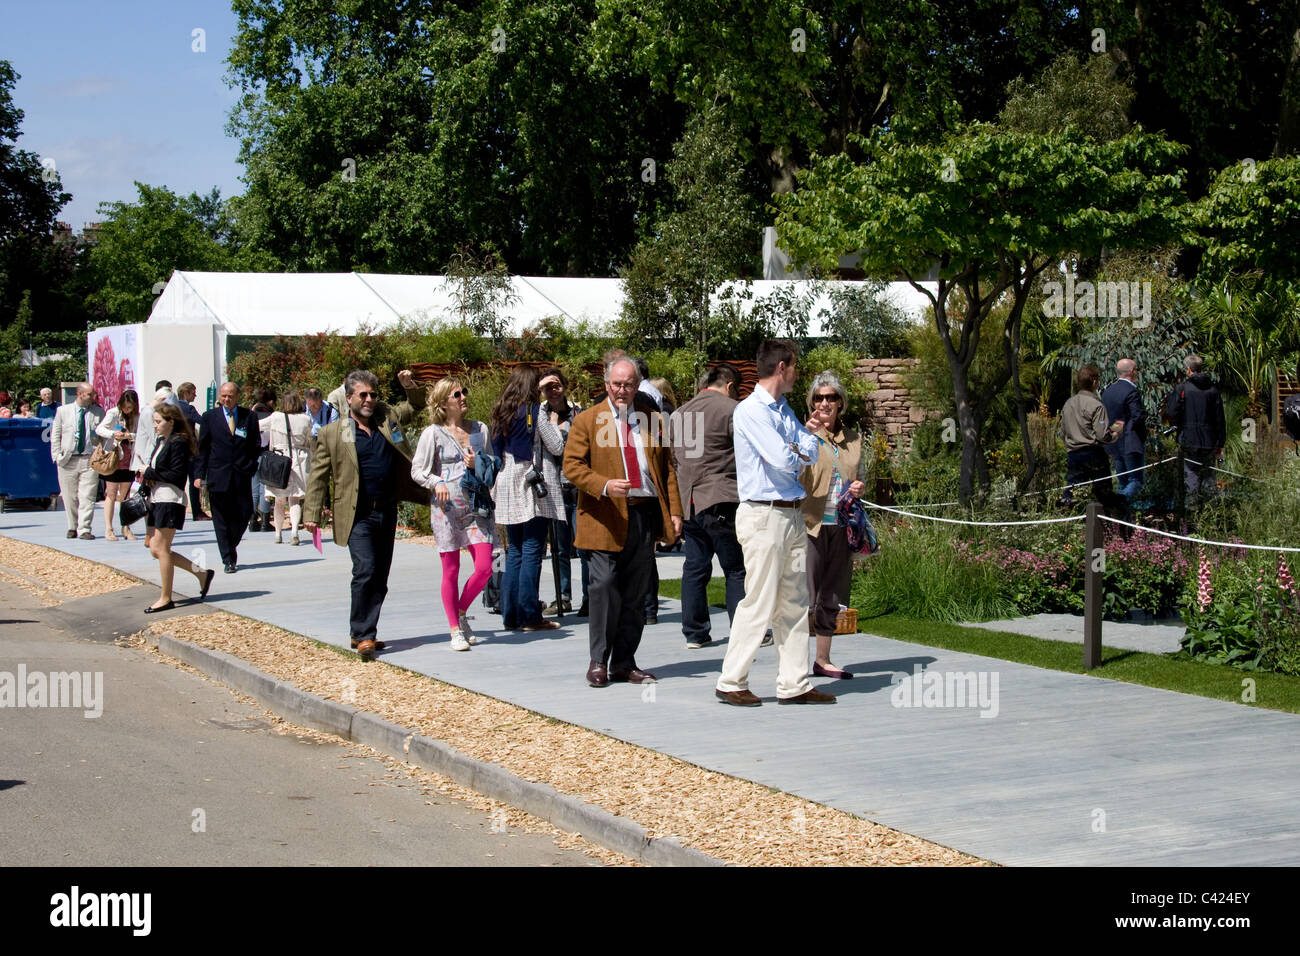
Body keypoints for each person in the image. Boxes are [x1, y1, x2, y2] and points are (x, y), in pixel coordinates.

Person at [715, 339, 836, 707]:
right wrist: (797, 445)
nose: (798, 375)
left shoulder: (783, 410)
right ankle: (732, 680)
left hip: (792, 512)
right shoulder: (751, 411)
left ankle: (794, 683)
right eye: (795, 367)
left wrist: (800, 442)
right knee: (760, 600)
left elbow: (811, 450)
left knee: (795, 602)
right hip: (764, 514)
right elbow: (783, 457)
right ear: (781, 367)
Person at [563, 357, 682, 688]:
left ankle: (624, 663)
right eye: (616, 384)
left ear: (637, 385)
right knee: (602, 586)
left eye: (629, 384)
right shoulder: (588, 420)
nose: (622, 390)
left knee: (635, 593)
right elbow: (571, 466)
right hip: (604, 516)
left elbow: (666, 469)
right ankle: (599, 660)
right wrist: (603, 485)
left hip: (644, 514)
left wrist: (674, 511)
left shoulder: (651, 420)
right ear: (606, 385)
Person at [303, 369, 426, 660]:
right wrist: (312, 513)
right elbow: (319, 474)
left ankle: (363, 630)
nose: (369, 400)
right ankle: (363, 634)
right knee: (365, 569)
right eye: (363, 395)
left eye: (373, 394)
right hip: (356, 514)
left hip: (387, 510)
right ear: (349, 398)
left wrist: (410, 387)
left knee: (380, 576)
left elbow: (416, 407)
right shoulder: (336, 433)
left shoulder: (387, 420)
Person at [411, 378, 497, 651]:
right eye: (456, 394)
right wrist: (436, 482)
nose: (463, 397)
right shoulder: (433, 434)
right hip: (446, 510)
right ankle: (454, 629)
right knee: (451, 569)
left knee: (484, 568)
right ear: (443, 403)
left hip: (476, 506)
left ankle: (460, 611)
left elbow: (493, 463)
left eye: (464, 392)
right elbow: (417, 470)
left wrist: (479, 461)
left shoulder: (479, 429)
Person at [669, 362, 745, 650]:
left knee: (695, 567)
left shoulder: (678, 414)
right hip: (721, 498)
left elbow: (672, 459)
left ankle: (695, 632)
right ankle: (743, 631)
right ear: (728, 385)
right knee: (736, 568)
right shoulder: (731, 409)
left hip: (689, 501)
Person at [799, 371, 866, 680]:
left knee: (831, 598)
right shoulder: (803, 433)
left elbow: (857, 474)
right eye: (818, 397)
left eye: (830, 397)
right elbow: (790, 473)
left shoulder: (853, 439)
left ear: (841, 403)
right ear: (812, 402)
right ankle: (795, 662)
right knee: (804, 599)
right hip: (810, 525)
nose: (824, 402)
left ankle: (822, 659)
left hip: (841, 525)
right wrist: (803, 438)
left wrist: (859, 487)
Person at [489, 366, 565, 632]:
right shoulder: (536, 411)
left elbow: (495, 449)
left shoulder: (501, 410)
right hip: (531, 482)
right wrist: (554, 423)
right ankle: (530, 616)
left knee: (516, 551)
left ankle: (510, 615)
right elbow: (557, 446)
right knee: (533, 548)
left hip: (507, 478)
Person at [142, 403, 215, 612]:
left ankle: (166, 597)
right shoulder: (162, 441)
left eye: (158, 422)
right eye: (154, 421)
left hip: (170, 499)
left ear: (171, 421)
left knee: (160, 549)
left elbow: (176, 476)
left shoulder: (179, 442)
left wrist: (149, 473)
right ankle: (201, 573)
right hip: (158, 498)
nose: (155, 426)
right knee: (156, 549)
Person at [195, 382, 262, 573]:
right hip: (219, 475)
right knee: (221, 518)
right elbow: (203, 449)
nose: (226, 399)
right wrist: (199, 474)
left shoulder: (249, 417)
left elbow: (255, 444)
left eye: (230, 396)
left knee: (244, 512)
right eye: (223, 396)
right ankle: (228, 558)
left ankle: (229, 543)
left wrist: (251, 465)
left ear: (237, 396)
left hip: (241, 473)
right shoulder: (209, 418)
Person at [538, 367, 587, 616]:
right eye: (548, 387)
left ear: (565, 386)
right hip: (553, 490)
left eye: (557, 385)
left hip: (577, 489)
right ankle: (563, 596)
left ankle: (590, 597)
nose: (553, 391)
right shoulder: (538, 416)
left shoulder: (580, 414)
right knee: (558, 549)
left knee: (585, 546)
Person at [1060, 365, 1127, 514]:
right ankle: (1107, 528)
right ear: (1095, 382)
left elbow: (1062, 433)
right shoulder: (1096, 405)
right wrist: (1115, 434)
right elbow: (1102, 435)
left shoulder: (1068, 404)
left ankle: (1070, 524)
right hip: (1093, 454)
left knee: (1073, 493)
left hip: (1073, 454)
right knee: (1103, 494)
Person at [1164, 354, 1226, 506]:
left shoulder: (1183, 389)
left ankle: (1192, 514)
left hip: (1189, 439)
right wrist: (1221, 442)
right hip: (1210, 440)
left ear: (1188, 370)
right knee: (1209, 475)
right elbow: (1220, 419)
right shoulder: (1213, 390)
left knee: (1191, 475)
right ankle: (1211, 512)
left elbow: (1171, 412)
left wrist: (1179, 423)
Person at [49, 383, 105, 539]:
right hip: (68, 459)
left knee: (88, 496)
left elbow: (103, 435)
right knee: (69, 496)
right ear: (80, 394)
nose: (93, 397)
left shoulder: (98, 412)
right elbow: (56, 434)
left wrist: (102, 454)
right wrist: (56, 455)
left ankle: (84, 528)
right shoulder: (63, 411)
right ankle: (72, 526)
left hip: (89, 459)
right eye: (90, 394)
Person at [262, 389, 313, 545]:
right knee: (295, 499)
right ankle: (295, 532)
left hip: (279, 459)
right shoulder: (305, 419)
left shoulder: (276, 417)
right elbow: (309, 441)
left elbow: (257, 426)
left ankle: (278, 534)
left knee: (279, 500)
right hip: (298, 459)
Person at [95, 389, 142, 541]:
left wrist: (129, 435)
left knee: (126, 494)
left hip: (129, 458)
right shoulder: (113, 413)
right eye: (125, 407)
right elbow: (100, 429)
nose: (127, 410)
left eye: (130, 407)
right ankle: (109, 528)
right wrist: (113, 434)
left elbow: (140, 434)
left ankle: (126, 527)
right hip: (114, 457)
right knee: (111, 493)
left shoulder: (136, 416)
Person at [1100, 358, 1148, 508]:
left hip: (1114, 442)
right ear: (1131, 372)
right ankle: (1117, 504)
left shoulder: (1107, 391)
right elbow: (1137, 417)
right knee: (1136, 481)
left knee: (1122, 481)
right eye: (1136, 369)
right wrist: (1140, 435)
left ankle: (1121, 520)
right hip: (1130, 442)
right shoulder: (1131, 391)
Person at [175, 382, 207, 519]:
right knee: (194, 480)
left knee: (178, 482)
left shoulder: (173, 407)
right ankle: (197, 511)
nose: (195, 395)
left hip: (176, 449)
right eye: (193, 392)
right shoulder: (189, 409)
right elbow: (202, 421)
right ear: (186, 393)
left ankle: (177, 510)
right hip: (190, 449)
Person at [249, 388, 277, 532]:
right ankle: (266, 522)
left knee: (253, 490)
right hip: (266, 455)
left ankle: (252, 521)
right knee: (264, 489)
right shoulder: (271, 416)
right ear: (271, 401)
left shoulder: (251, 414)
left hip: (252, 455)